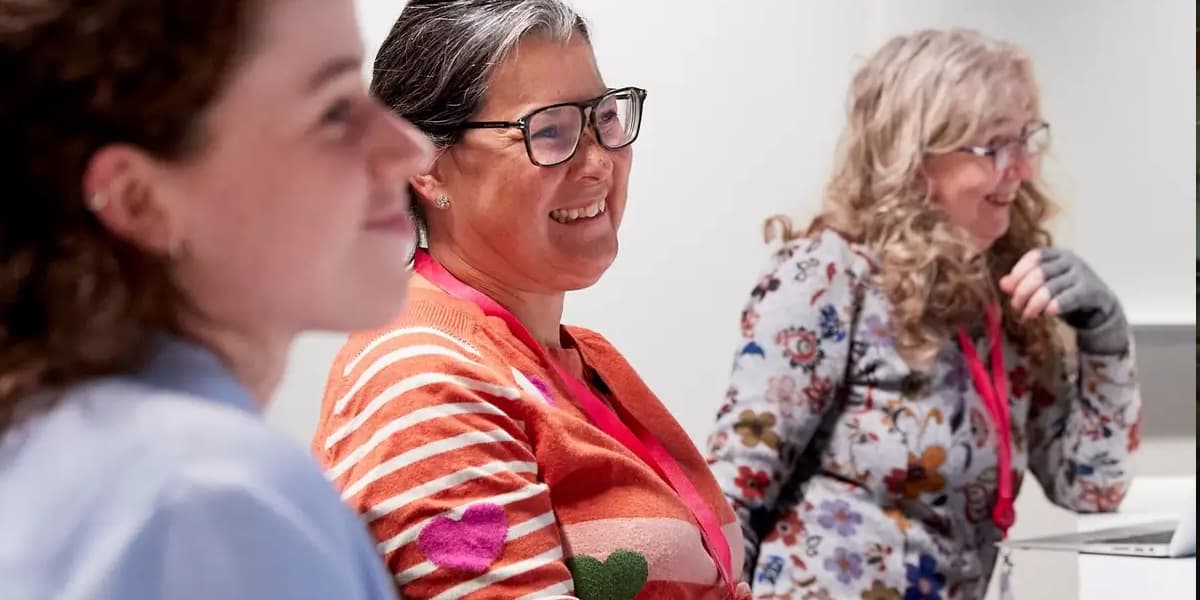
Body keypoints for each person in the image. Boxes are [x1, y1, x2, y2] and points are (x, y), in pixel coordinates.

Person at [311, 1, 748, 598]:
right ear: (425, 165)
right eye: (550, 131)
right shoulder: (422, 375)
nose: (598, 164)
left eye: (605, 118)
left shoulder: (586, 358)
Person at [0, 1, 432, 598]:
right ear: (138, 201)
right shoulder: (212, 500)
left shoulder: (46, 451)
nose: (411, 148)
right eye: (335, 111)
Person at [705, 29, 1142, 599]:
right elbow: (735, 491)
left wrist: (1104, 332)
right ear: (912, 160)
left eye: (1024, 141)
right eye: (993, 147)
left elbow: (1092, 487)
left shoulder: (1002, 293)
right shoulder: (828, 276)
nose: (1023, 170)